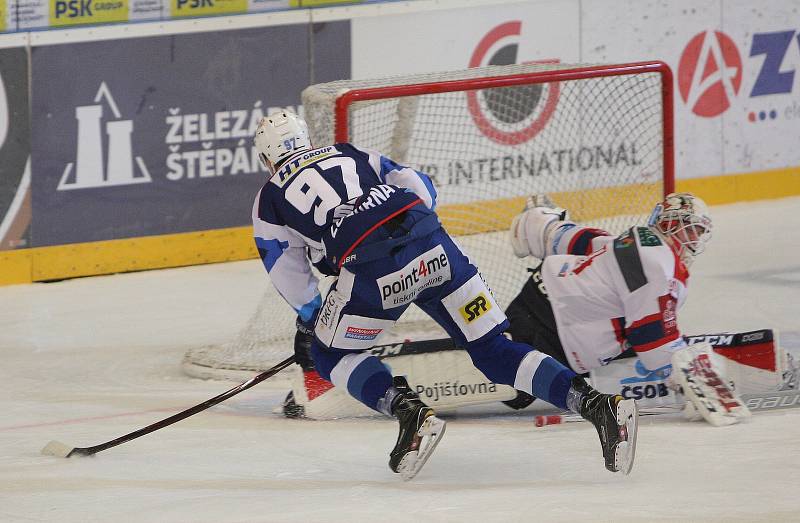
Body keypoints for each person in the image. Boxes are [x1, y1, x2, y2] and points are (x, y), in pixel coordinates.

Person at [251, 109, 638, 480]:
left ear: (268, 159)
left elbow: (285, 268)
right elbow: (417, 184)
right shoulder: (348, 152)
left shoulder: (269, 197)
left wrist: (313, 316)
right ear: (305, 138)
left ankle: (410, 415)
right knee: (492, 349)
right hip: (435, 247)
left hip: (375, 271)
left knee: (330, 352)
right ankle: (597, 405)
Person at [506, 193, 749, 425]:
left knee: (517, 379)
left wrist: (543, 225)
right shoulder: (657, 263)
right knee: (510, 385)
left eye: (700, 232)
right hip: (549, 326)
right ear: (672, 224)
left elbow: (582, 240)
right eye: (692, 229)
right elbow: (652, 342)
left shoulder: (637, 243)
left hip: (549, 314)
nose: (695, 239)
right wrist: (690, 382)